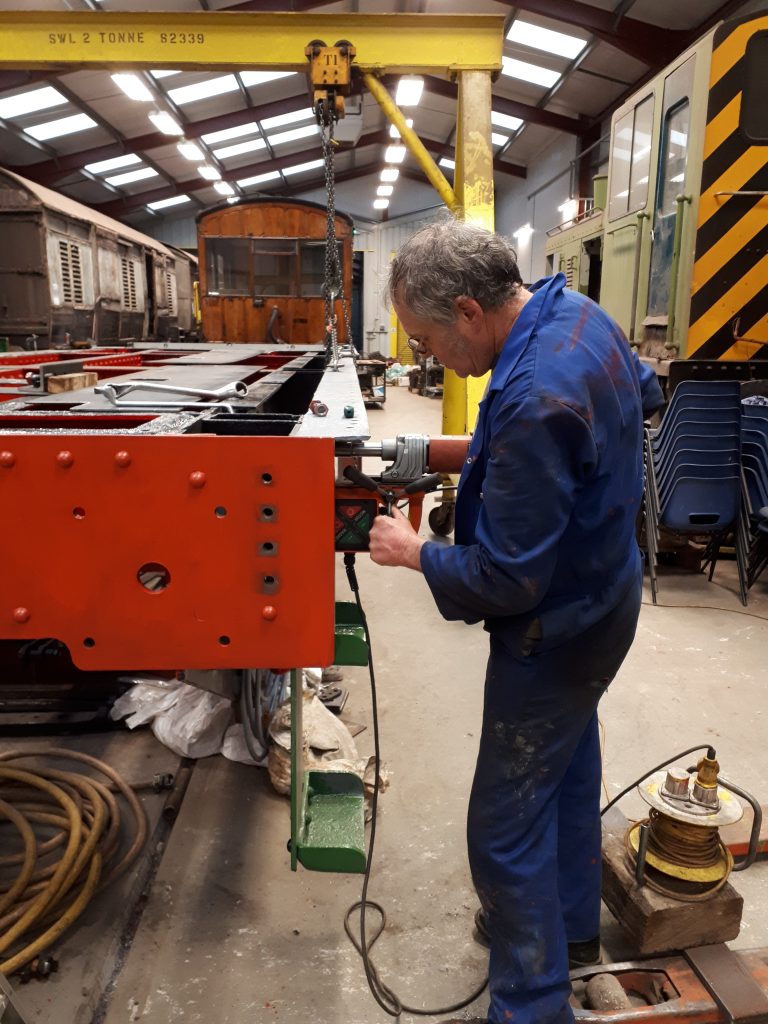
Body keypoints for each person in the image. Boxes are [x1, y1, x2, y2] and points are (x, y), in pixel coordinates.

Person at [367, 219, 663, 1024]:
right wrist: (461, 455)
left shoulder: (535, 395)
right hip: (609, 601)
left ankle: (531, 1009)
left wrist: (409, 554)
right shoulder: (577, 315)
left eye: (427, 339)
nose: (429, 358)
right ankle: (571, 941)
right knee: (564, 773)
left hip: (555, 628)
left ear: (468, 310)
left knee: (502, 830)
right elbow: (641, 393)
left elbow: (503, 579)